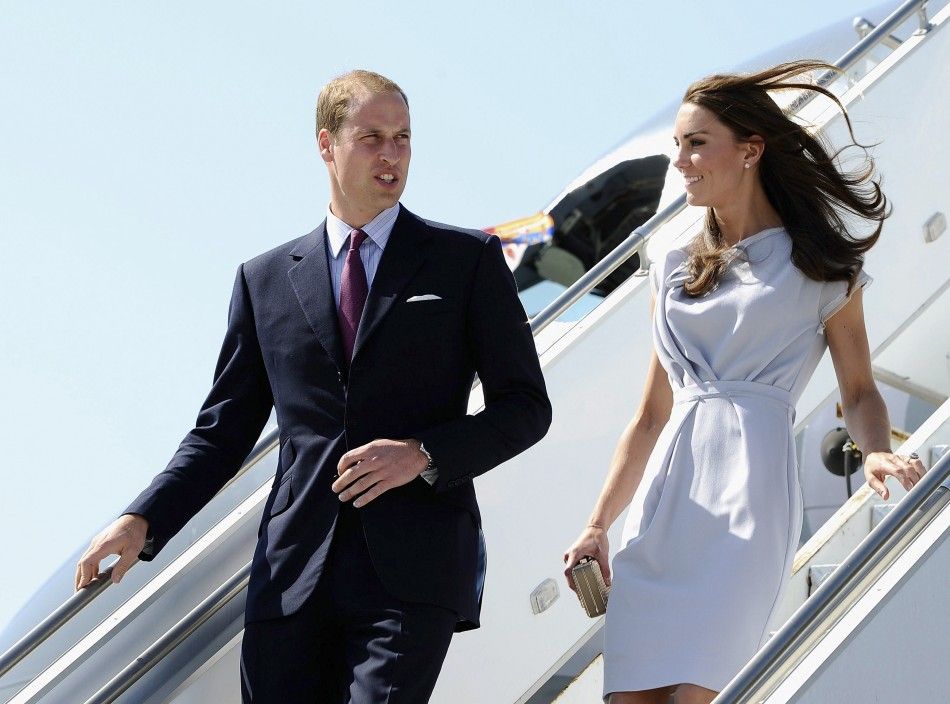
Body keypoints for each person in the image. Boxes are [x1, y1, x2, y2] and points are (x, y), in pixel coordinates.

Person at [75, 69, 552, 703]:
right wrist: (142, 519)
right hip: (292, 575)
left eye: (403, 139)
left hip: (413, 572)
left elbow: (525, 408)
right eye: (372, 137)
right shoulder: (263, 280)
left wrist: (423, 454)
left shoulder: (466, 261)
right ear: (326, 144)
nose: (391, 155)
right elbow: (222, 431)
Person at [562, 60, 926, 704]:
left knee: (698, 693)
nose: (681, 160)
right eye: (678, 144)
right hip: (667, 499)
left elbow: (861, 391)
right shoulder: (671, 266)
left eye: (697, 143)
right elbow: (649, 415)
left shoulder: (821, 268)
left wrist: (873, 450)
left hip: (748, 503)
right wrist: (596, 524)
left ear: (751, 150)